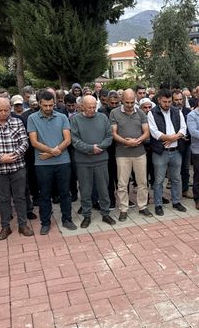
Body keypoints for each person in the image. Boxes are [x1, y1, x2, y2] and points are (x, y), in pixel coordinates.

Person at [0, 98, 34, 240]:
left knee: (20, 197)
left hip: (18, 166)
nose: (4, 113)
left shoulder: (17, 122)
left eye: (6, 110)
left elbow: (25, 142)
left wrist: (15, 155)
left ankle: (23, 225)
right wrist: (0, 158)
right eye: (0, 110)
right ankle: (6, 227)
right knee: (3, 199)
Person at [27, 91, 77, 235]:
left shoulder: (62, 117)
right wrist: (52, 151)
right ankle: (45, 222)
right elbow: (34, 142)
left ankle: (67, 219)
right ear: (39, 104)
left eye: (51, 105)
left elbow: (67, 139)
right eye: (45, 105)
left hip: (63, 161)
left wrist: (51, 153)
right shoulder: (32, 118)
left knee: (64, 193)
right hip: (42, 165)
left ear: (54, 103)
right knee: (44, 194)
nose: (48, 108)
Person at [70, 96, 115, 227]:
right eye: (89, 107)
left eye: (94, 107)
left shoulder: (103, 118)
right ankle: (87, 215)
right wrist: (90, 148)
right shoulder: (75, 120)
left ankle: (105, 214)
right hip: (83, 161)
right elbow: (74, 140)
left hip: (101, 159)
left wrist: (100, 147)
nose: (92, 110)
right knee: (85, 190)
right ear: (82, 106)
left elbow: (109, 136)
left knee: (103, 189)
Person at [110, 89, 152, 221]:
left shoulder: (140, 112)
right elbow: (113, 133)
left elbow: (146, 132)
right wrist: (126, 142)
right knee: (122, 183)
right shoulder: (114, 113)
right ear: (122, 100)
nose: (129, 105)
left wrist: (137, 141)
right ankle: (123, 208)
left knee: (142, 182)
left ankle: (142, 206)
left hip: (139, 152)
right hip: (122, 153)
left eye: (132, 102)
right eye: (127, 102)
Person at [148, 88, 188, 216]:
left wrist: (173, 138)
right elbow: (155, 133)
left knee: (176, 178)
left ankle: (176, 201)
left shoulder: (177, 111)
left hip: (176, 151)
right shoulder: (152, 113)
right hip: (160, 152)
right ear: (159, 100)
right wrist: (170, 137)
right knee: (159, 180)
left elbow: (183, 128)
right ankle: (158, 204)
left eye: (169, 101)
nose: (167, 104)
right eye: (164, 101)